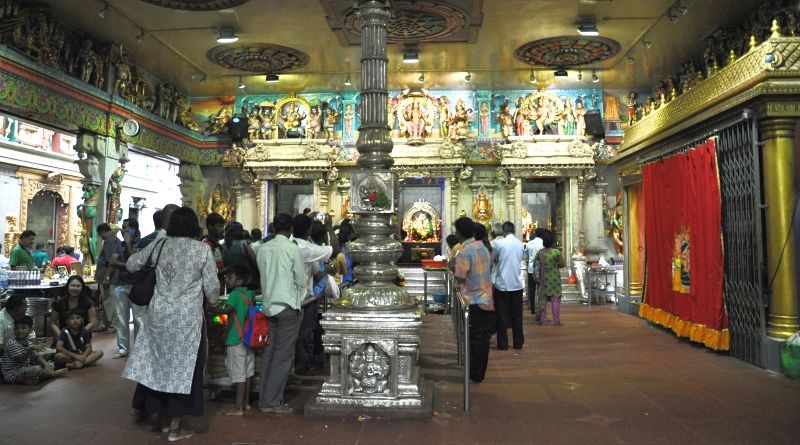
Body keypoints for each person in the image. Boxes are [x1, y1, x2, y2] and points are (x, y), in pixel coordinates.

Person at [123, 207, 219, 442]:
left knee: (159, 366)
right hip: (186, 319)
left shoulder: (160, 245)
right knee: (184, 369)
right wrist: (212, 301)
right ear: (195, 226)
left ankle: (163, 422)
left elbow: (131, 265)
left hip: (159, 316)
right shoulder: (201, 250)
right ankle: (176, 427)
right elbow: (213, 290)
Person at [256, 213, 307, 414]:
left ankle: (264, 399)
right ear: (291, 229)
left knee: (269, 354)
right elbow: (301, 280)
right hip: (286, 308)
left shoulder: (262, 248)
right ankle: (272, 402)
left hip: (268, 307)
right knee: (282, 357)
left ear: (274, 228)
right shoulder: (291, 249)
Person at [292, 214, 338, 375]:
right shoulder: (307, 248)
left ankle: (295, 364)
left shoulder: (286, 245)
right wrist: (330, 227)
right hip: (305, 297)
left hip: (284, 297)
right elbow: (334, 251)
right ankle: (303, 364)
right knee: (305, 332)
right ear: (308, 230)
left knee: (292, 335)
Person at [452, 217, 494, 383]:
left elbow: (460, 278)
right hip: (487, 297)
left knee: (474, 338)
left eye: (456, 231)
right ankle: (479, 371)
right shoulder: (482, 246)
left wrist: (452, 267)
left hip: (473, 299)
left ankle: (475, 372)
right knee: (483, 337)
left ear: (460, 233)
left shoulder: (464, 251)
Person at [220, 264, 256, 416]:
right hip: (248, 339)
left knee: (239, 375)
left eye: (230, 277)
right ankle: (246, 403)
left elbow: (227, 310)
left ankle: (238, 408)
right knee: (247, 373)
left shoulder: (234, 295)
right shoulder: (250, 294)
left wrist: (214, 309)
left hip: (235, 339)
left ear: (240, 281)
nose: (227, 280)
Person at [1, 316, 66, 384]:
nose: (20, 331)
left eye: (23, 328)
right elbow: (20, 360)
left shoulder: (29, 343)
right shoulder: (13, 344)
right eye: (16, 328)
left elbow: (37, 357)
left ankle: (28, 380)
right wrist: (30, 349)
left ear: (30, 329)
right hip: (13, 374)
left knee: (48, 365)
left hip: (24, 370)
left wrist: (46, 365)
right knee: (36, 369)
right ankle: (53, 375)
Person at [492, 222, 525, 350]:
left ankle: (503, 343)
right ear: (514, 230)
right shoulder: (520, 244)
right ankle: (518, 342)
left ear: (504, 231)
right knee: (517, 315)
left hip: (502, 284)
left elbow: (491, 259)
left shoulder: (499, 244)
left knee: (501, 315)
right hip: (517, 284)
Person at [534, 230, 565, 326]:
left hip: (543, 278)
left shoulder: (540, 252)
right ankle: (556, 320)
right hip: (554, 278)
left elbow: (536, 263)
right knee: (555, 299)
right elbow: (562, 264)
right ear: (552, 243)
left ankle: (543, 319)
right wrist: (554, 265)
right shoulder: (556, 252)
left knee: (543, 299)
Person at [95, 223, 121, 332]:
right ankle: (103, 324)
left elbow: (111, 261)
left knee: (109, 301)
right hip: (109, 276)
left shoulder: (110, 241)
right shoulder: (115, 240)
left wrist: (107, 277)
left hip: (108, 276)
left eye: (101, 235)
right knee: (107, 301)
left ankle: (112, 325)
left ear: (103, 232)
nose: (101, 237)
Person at [221, 222, 258, 290]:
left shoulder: (222, 247)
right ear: (239, 232)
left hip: (231, 281)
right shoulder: (243, 244)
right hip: (246, 280)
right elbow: (255, 261)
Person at [203, 213, 226, 287]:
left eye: (223, 226)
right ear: (210, 227)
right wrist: (229, 269)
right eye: (219, 226)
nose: (222, 229)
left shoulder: (217, 243)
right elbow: (209, 272)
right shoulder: (206, 246)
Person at [526, 228, 545, 315]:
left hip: (531, 269)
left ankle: (533, 308)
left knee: (531, 289)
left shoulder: (529, 243)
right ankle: (540, 309)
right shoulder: (544, 243)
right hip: (541, 269)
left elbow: (525, 255)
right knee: (540, 289)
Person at [334, 219, 355, 287]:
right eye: (352, 232)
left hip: (348, 281)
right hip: (343, 282)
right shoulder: (339, 248)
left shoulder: (344, 246)